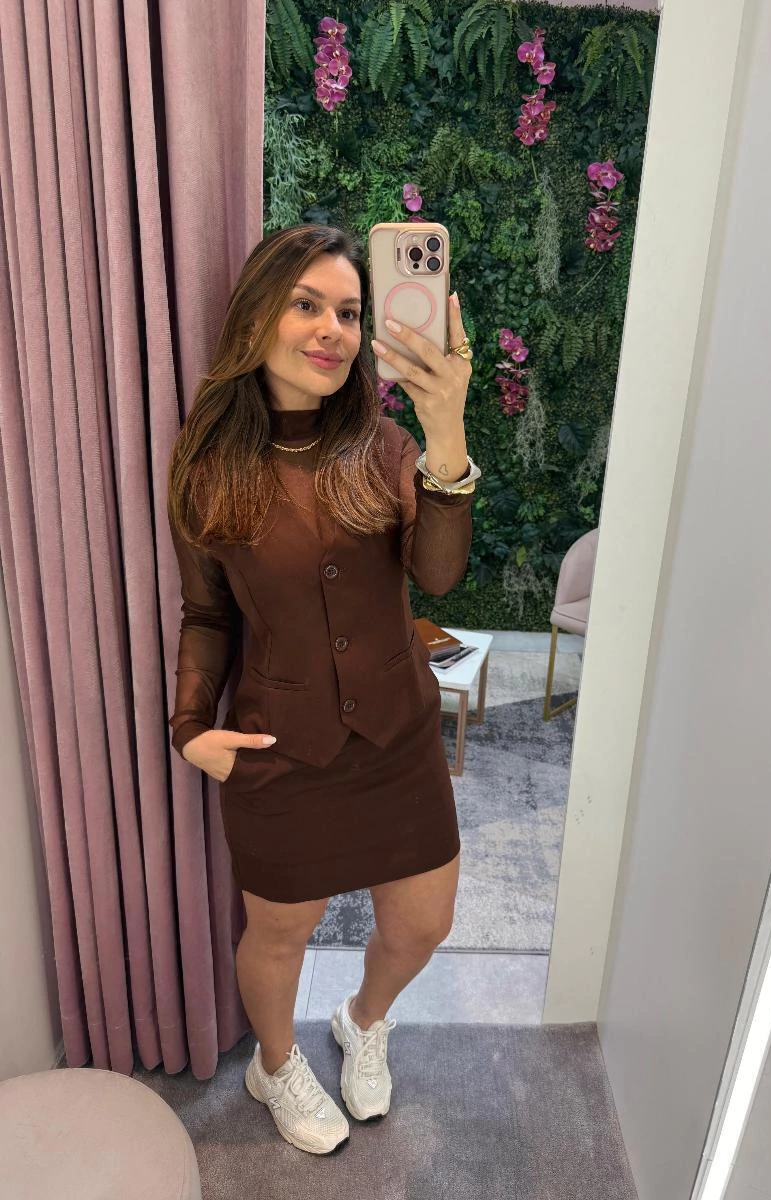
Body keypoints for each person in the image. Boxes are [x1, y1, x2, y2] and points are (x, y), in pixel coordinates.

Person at [166, 224, 479, 1155]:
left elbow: (439, 576)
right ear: (258, 315)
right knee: (279, 934)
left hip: (398, 740)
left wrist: (448, 431)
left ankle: (362, 1020)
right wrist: (189, 726)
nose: (332, 329)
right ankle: (274, 1064)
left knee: (422, 925)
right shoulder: (207, 465)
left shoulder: (383, 447)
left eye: (348, 311)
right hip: (282, 747)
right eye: (307, 304)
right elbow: (207, 613)